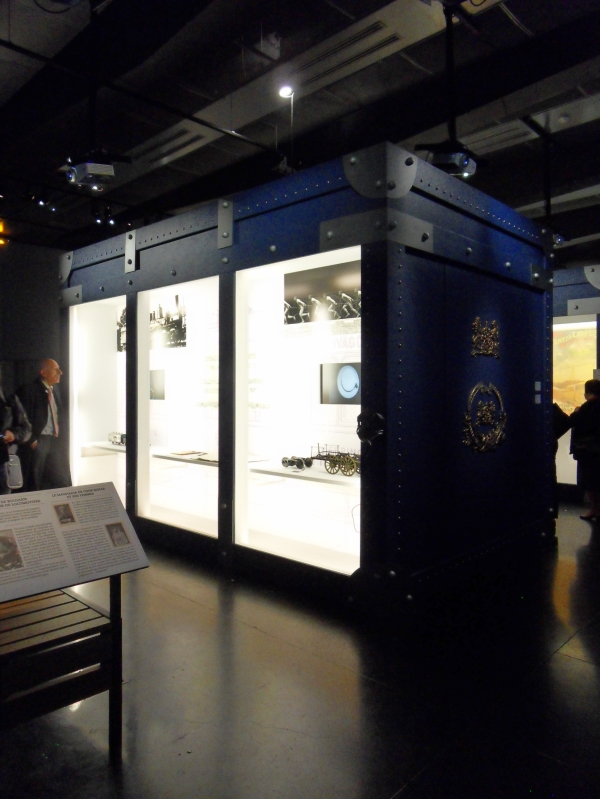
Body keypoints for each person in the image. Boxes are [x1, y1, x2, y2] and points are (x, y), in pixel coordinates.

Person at [17, 358, 71, 491]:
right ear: (44, 373)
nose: (60, 372)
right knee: (35, 479)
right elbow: (21, 418)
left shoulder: (55, 390)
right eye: (55, 369)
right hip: (39, 440)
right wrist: (32, 440)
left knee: (60, 479)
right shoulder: (29, 390)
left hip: (55, 440)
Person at [570, 378, 600, 521]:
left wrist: (576, 412)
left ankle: (595, 510)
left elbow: (575, 421)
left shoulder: (585, 408)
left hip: (588, 451)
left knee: (590, 483)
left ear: (587, 392)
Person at [0, 375, 32, 494]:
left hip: (4, 463)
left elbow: (26, 429)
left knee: (5, 503)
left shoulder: (10, 400)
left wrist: (13, 434)